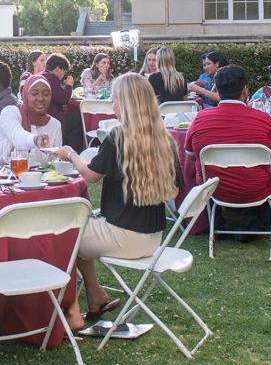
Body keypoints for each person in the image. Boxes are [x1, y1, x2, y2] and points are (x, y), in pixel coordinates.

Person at [47, 72, 180, 330]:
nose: (113, 105)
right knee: (82, 227)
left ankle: (71, 312)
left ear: (127, 103)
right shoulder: (164, 138)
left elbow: (90, 175)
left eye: (116, 99)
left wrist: (70, 153)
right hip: (152, 237)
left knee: (62, 232)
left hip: (123, 234)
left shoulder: (119, 136)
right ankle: (95, 296)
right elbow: (175, 189)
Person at [183, 65, 271, 236]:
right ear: (245, 91)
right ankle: (259, 224)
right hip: (258, 187)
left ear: (217, 89)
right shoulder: (264, 119)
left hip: (214, 187)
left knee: (200, 173)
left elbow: (191, 156)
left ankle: (217, 223)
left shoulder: (199, 119)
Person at [0, 74, 63, 163]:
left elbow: (55, 161)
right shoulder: (10, 113)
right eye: (34, 93)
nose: (41, 98)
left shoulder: (55, 124)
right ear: (25, 94)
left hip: (41, 176)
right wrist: (35, 140)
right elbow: (17, 137)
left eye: (46, 94)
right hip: (3, 174)